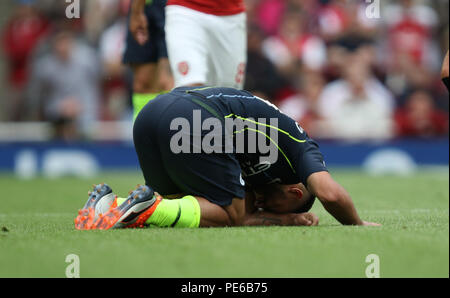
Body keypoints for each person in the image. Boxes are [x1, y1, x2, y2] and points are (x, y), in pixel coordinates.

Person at [75, 87, 380, 230]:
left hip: (151, 115)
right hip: (191, 118)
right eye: (267, 204)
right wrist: (357, 223)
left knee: (186, 205)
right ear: (296, 191)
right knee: (228, 214)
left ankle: (109, 206)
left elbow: (245, 212)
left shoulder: (263, 176)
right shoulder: (302, 148)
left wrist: (283, 217)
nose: (259, 203)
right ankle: (150, 206)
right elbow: (329, 193)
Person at [124, 0, 173, 120]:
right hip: (145, 5)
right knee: (142, 82)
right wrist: (136, 10)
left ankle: (171, 135)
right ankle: (142, 136)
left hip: (175, 7)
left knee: (169, 84)